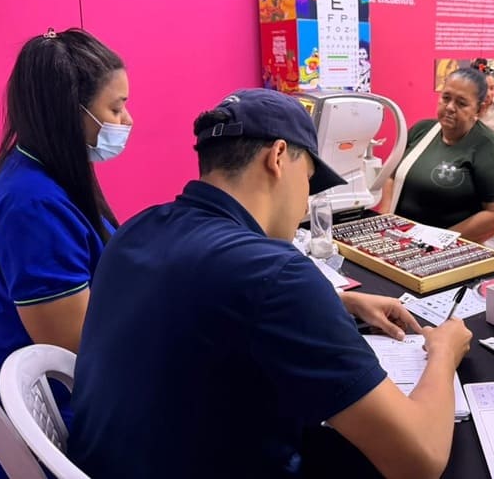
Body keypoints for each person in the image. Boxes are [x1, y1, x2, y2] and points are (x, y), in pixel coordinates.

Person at [69, 89, 472, 479]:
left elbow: (197, 299)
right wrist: (443, 352)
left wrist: (339, 302)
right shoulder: (277, 274)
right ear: (278, 157)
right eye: (309, 180)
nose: (306, 201)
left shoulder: (136, 229)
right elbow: (419, 460)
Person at [0, 28, 132, 477]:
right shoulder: (32, 207)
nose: (126, 120)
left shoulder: (48, 171)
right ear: (71, 112)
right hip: (48, 410)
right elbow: (76, 348)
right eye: (115, 108)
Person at [382, 68, 494, 255]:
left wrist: (435, 243)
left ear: (479, 109)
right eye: (446, 98)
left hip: (448, 248)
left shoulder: (490, 149)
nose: (450, 107)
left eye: (462, 103)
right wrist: (385, 222)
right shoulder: (421, 131)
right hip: (401, 239)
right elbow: (391, 175)